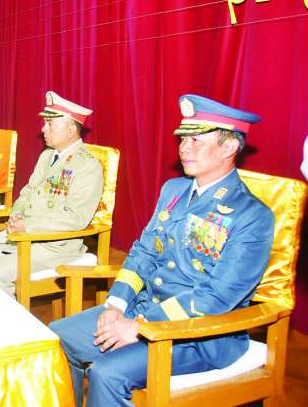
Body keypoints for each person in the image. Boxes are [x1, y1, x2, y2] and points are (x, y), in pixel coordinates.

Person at [49, 94, 274, 407]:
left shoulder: (252, 215)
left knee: (106, 374)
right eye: (183, 139)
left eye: (196, 141)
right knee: (56, 339)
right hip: (141, 310)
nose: (184, 148)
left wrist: (141, 326)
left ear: (229, 147)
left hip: (199, 334)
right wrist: (116, 304)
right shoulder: (174, 190)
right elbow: (143, 252)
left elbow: (218, 296)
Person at [0, 91, 103, 294]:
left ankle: (2, 314)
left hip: (55, 246)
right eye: (45, 123)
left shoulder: (87, 165)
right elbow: (28, 192)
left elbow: (76, 218)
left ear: (71, 130)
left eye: (50, 124)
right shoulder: (47, 156)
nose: (43, 129)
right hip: (25, 234)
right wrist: (16, 214)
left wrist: (28, 225)